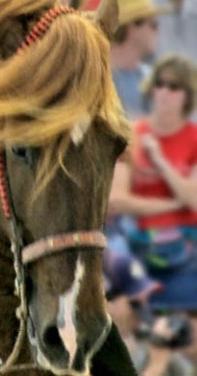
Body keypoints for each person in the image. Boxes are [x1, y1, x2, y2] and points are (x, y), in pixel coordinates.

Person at [109, 54, 197, 376]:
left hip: (186, 246)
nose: (164, 92)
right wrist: (173, 203)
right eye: (159, 84)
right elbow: (117, 200)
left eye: (174, 86)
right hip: (139, 244)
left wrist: (161, 163)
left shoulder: (193, 138)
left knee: (174, 340)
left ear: (187, 95)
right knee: (126, 315)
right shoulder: (134, 134)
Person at [111, 0, 168, 119]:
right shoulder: (96, 77)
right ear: (132, 27)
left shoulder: (151, 76)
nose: (158, 32)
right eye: (154, 25)